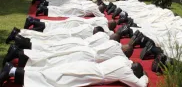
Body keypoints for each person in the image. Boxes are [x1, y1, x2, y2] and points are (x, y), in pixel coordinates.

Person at [1, 56, 148, 87]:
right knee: (55, 81)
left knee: (54, 71)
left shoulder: (122, 60)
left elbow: (127, 61)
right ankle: (13, 71)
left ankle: (16, 70)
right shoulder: (126, 72)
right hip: (90, 74)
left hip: (87, 67)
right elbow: (140, 85)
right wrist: (145, 77)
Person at [3, 38, 134, 70]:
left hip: (85, 50)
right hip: (87, 57)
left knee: (53, 54)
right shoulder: (120, 55)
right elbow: (129, 63)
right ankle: (20, 56)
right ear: (126, 53)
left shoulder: (113, 42)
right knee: (54, 62)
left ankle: (19, 53)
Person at [6, 25, 105, 45]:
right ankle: (18, 35)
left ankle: (19, 32)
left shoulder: (88, 27)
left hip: (63, 32)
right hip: (63, 36)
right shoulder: (89, 34)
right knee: (40, 38)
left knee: (40, 35)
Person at [24, 16, 116, 35]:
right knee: (53, 27)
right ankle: (32, 21)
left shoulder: (103, 20)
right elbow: (110, 33)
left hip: (78, 22)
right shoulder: (105, 27)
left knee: (54, 25)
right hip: (77, 24)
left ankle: (33, 21)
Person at [36, 0, 104, 17]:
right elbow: (101, 16)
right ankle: (44, 9)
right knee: (61, 12)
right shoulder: (96, 9)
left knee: (61, 9)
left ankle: (45, 8)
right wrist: (102, 13)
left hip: (78, 8)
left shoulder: (93, 4)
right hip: (78, 11)